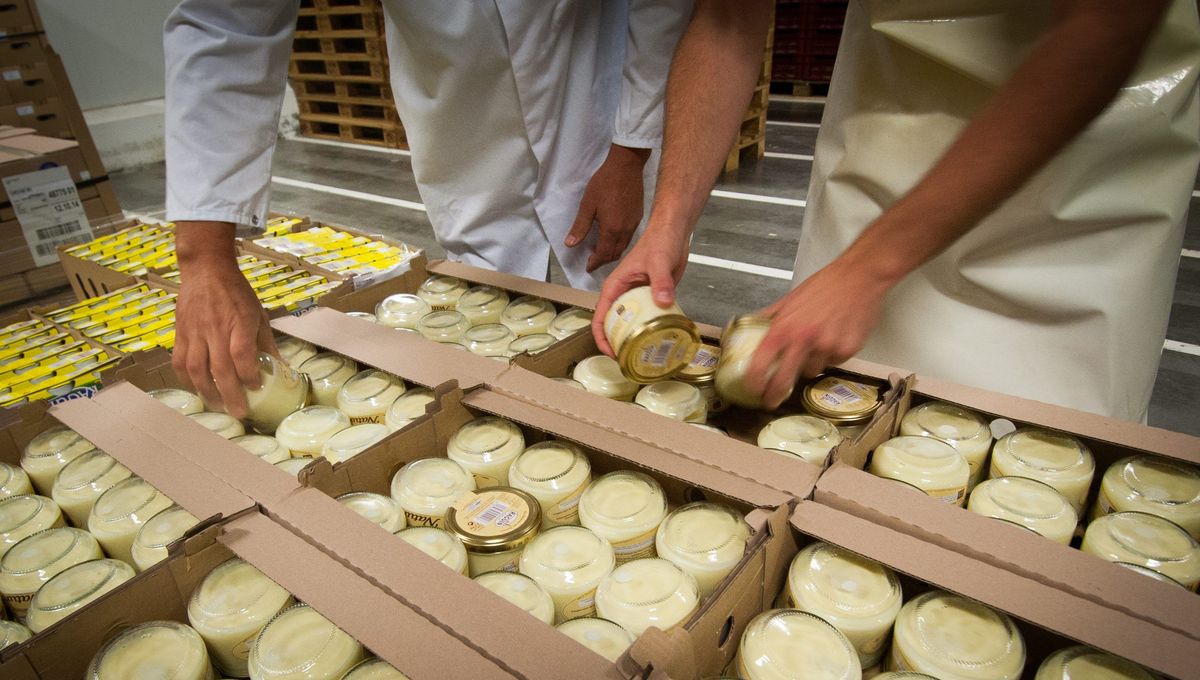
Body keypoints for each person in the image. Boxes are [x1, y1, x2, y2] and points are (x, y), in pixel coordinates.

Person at [595, 0, 1200, 421]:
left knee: (1034, 451)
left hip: (1074, 167)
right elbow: (728, 18)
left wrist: (869, 267)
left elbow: (1106, 23)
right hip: (882, 134)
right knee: (837, 424)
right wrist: (669, 220)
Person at [163, 1, 692, 416]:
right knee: (486, 316)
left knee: (623, 312)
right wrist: (203, 257)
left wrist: (631, 148)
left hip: (593, 94)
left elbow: (666, 10)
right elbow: (227, 26)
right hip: (461, 114)